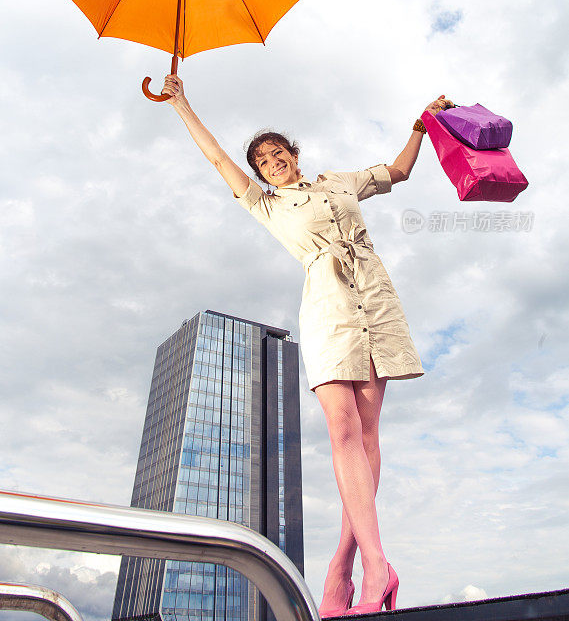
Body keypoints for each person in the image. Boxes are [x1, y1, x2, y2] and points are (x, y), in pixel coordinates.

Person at [161, 74, 452, 615]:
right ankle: (376, 565)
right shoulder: (268, 206)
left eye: (277, 153)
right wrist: (182, 104)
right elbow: (218, 159)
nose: (271, 162)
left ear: (294, 154)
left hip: (375, 295)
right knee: (340, 427)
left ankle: (347, 565)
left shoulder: (340, 182)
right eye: (262, 162)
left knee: (366, 434)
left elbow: (399, 171)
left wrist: (421, 125)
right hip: (327, 304)